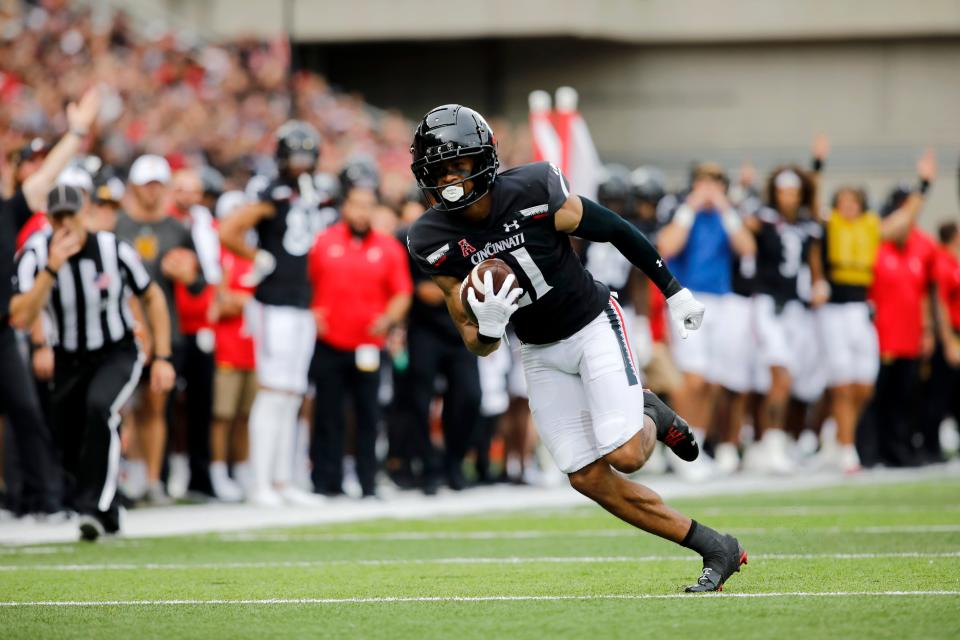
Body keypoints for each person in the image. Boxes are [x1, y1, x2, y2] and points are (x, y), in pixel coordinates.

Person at [406, 104, 745, 593]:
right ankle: (717, 548)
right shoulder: (429, 237)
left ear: (483, 160)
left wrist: (673, 291)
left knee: (626, 455)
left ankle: (652, 414)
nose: (449, 179)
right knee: (586, 477)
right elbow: (475, 343)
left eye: (458, 165)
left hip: (591, 324)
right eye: (438, 170)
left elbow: (615, 229)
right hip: (539, 350)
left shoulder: (534, 188)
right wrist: (492, 324)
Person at [9, 184, 175, 540]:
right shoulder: (36, 254)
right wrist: (52, 269)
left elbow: (153, 297)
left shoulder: (114, 250)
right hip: (68, 356)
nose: (67, 223)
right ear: (49, 220)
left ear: (85, 212)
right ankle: (109, 508)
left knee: (100, 407)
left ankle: (93, 509)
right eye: (59, 217)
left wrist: (162, 356)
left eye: (73, 214)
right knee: (68, 439)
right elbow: (21, 314)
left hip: (116, 350)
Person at [0, 87, 101, 517]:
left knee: (26, 413)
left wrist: (77, 131)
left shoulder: (7, 212)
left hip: (3, 328)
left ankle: (42, 501)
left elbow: (42, 180)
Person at [218, 121, 324, 506]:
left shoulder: (313, 192)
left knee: (293, 394)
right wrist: (257, 256)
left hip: (302, 302)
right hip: (274, 301)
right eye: (295, 155)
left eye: (306, 155)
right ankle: (260, 481)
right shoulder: (271, 191)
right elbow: (229, 229)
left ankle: (283, 480)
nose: (301, 163)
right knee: (273, 392)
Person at [308, 176, 413, 498]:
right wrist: (312, 313)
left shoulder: (388, 248)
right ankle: (327, 481)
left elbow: (402, 292)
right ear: (345, 207)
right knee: (328, 414)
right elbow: (305, 284)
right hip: (330, 343)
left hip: (368, 345)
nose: (362, 212)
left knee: (368, 416)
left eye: (368, 206)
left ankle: (368, 482)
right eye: (356, 205)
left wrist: (389, 318)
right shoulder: (323, 242)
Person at [114, 154, 206, 504]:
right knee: (122, 408)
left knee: (157, 407)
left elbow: (198, 282)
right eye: (147, 184)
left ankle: (152, 480)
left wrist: (187, 274)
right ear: (135, 187)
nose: (153, 192)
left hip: (167, 328)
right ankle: (126, 476)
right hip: (122, 329)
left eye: (158, 185)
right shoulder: (118, 226)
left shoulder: (177, 229)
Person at [656, 162, 757, 475]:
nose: (710, 188)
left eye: (715, 182)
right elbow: (666, 247)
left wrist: (726, 207)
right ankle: (678, 448)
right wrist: (691, 207)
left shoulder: (728, 216)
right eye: (704, 182)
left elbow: (748, 248)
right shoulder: (683, 212)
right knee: (693, 378)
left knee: (712, 381)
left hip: (722, 302)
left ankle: (694, 447)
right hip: (688, 298)